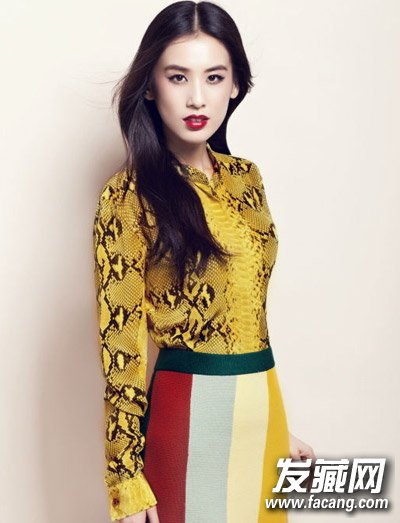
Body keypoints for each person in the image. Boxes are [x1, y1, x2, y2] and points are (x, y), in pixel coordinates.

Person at [93, 1, 315, 522]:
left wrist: (275, 423)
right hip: (189, 419)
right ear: (151, 87)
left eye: (214, 77)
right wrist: (125, 477)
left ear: (235, 85)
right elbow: (120, 345)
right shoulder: (126, 196)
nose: (197, 97)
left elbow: (251, 316)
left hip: (261, 412)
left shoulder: (246, 180)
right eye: (178, 77)